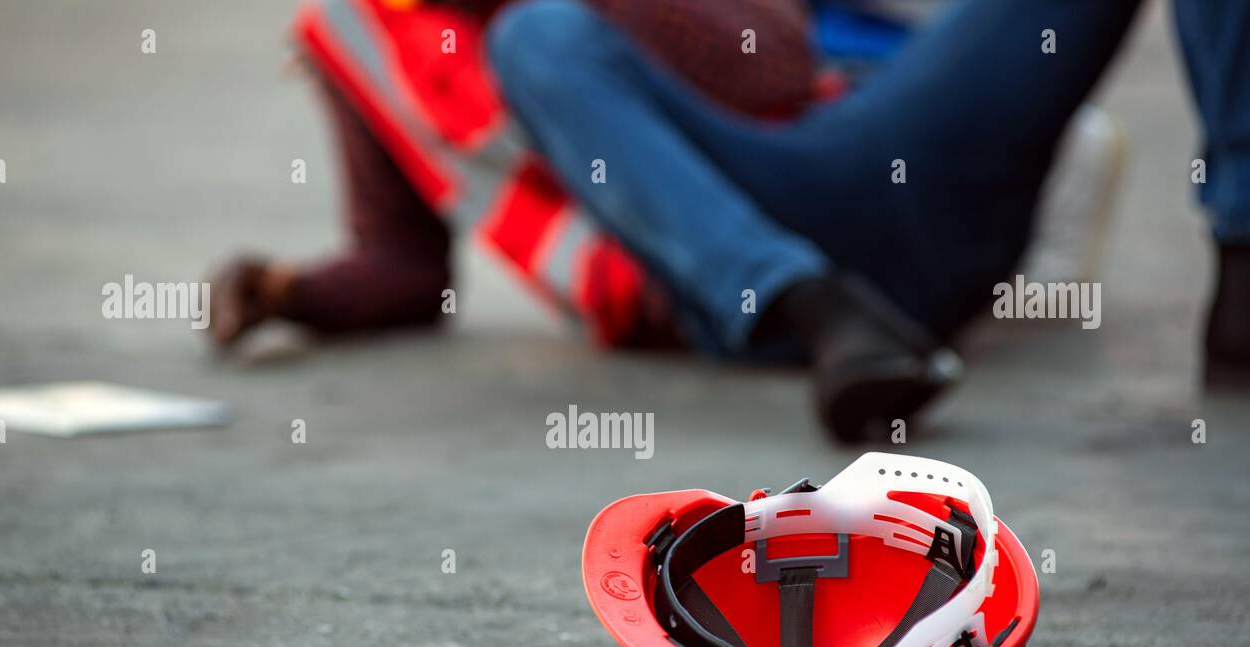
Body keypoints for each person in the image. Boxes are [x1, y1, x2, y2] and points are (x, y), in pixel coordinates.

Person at [486, 0, 1250, 439]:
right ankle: (814, 304)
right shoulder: (381, 36)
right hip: (732, 285)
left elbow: (775, 55)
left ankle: (1243, 255)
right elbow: (402, 261)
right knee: (532, 35)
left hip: (846, 164)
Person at [208, 0, 818, 353]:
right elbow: (404, 266)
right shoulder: (362, 23)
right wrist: (289, 291)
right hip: (680, 321)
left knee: (538, 42)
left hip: (809, 240)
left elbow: (777, 67)